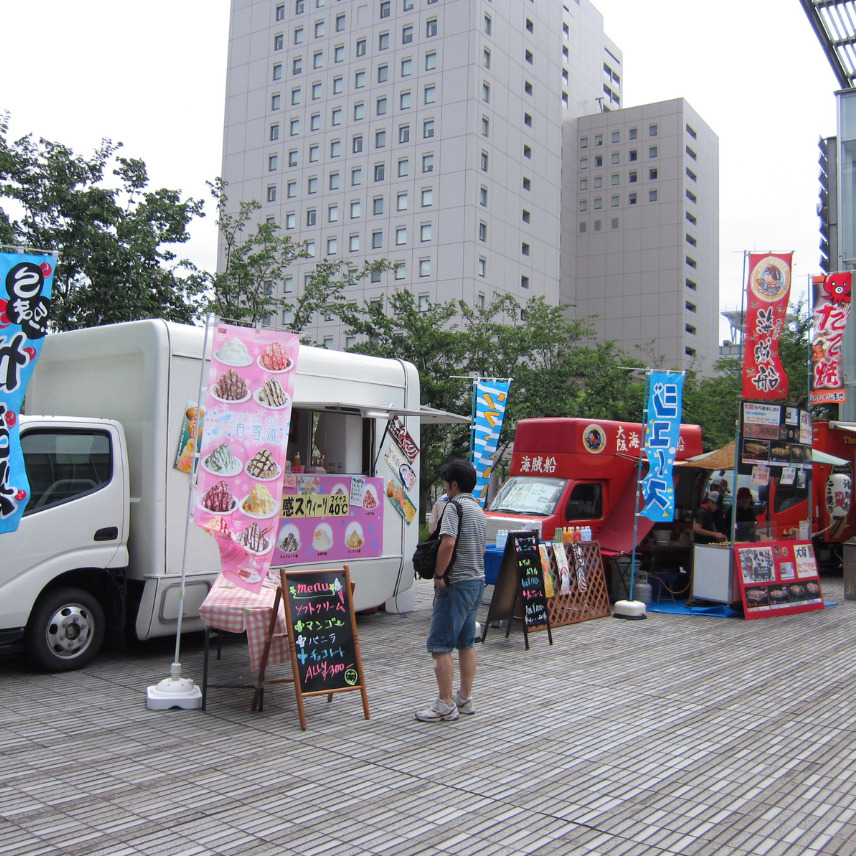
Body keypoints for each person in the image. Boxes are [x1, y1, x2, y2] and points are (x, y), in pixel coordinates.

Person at [415, 459, 486, 723]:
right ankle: (464, 697)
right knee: (466, 642)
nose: (445, 487)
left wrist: (439, 576)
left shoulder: (454, 508)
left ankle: (445, 703)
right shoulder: (478, 510)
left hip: (455, 584)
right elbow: (480, 549)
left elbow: (447, 544)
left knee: (441, 644)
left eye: (445, 483)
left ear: (454, 484)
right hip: (476, 581)